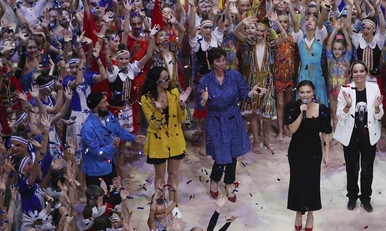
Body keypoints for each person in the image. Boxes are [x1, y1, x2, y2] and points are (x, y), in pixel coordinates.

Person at [197, 47, 266, 202]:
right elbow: (200, 106)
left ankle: (229, 184)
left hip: (232, 118)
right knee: (221, 156)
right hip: (215, 120)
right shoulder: (205, 80)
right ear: (212, 63)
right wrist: (204, 99)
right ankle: (215, 179)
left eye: (223, 60)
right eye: (218, 61)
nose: (222, 63)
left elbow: (243, 94)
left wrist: (251, 93)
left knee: (233, 154)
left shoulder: (234, 76)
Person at [334, 61, 384, 213]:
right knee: (352, 168)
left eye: (362, 71)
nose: (359, 74)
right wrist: (348, 105)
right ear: (352, 74)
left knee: (367, 169)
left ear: (366, 72)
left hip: (369, 135)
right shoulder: (345, 89)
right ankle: (352, 196)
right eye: (356, 71)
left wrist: (376, 107)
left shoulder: (374, 88)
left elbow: (379, 115)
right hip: (351, 135)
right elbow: (340, 116)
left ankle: (366, 197)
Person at [285, 80, 332, 231]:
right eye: (302, 92)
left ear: (313, 93)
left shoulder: (322, 109)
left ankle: (310, 213)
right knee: (297, 182)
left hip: (313, 151)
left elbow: (326, 133)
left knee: (312, 182)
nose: (305, 95)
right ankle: (298, 212)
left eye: (308, 92)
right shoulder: (292, 107)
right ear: (298, 93)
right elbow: (292, 130)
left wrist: (327, 154)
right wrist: (301, 113)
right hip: (296, 151)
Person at [140, 66, 191, 197]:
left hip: (175, 140)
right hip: (158, 142)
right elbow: (154, 124)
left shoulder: (174, 92)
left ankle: (173, 204)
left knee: (173, 174)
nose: (168, 80)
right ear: (156, 81)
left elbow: (182, 118)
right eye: (164, 78)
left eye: (167, 77)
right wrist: (159, 110)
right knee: (160, 176)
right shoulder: (146, 99)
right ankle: (160, 205)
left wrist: (182, 105)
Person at [80, 92, 146, 188]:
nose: (107, 104)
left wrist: (133, 138)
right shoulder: (88, 129)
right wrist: (113, 146)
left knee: (116, 197)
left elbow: (118, 130)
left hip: (110, 165)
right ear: (96, 107)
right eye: (104, 102)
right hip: (94, 171)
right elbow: (98, 153)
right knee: (96, 200)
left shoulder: (108, 115)